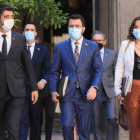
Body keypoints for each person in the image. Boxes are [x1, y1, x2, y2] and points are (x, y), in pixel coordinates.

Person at [50, 14, 103, 140]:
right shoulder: (60, 47)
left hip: (86, 93)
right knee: (67, 125)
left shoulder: (93, 46)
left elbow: (98, 69)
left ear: (83, 28)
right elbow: (55, 71)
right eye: (71, 26)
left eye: (77, 26)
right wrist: (53, 90)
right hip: (67, 93)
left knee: (84, 131)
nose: (74, 28)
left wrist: (94, 87)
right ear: (68, 28)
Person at [0, 5, 38, 140]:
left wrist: (34, 88)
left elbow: (28, 65)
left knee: (13, 128)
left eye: (12, 17)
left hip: (16, 91)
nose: (10, 19)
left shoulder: (20, 38)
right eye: (6, 16)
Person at [19, 21, 52, 140]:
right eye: (27, 30)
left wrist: (44, 80)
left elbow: (49, 69)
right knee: (22, 120)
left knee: (35, 121)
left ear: (36, 33)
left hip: (37, 92)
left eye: (32, 30)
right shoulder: (17, 48)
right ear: (22, 33)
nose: (29, 32)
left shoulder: (43, 50)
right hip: (20, 91)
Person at [115, 16, 140, 140]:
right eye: (136, 27)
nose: (138, 30)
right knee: (134, 125)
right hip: (131, 88)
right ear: (132, 29)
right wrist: (118, 90)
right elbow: (119, 68)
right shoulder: (126, 44)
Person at [91, 31, 118, 140]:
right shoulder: (88, 54)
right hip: (94, 91)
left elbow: (116, 71)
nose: (97, 42)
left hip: (109, 91)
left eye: (99, 40)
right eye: (95, 40)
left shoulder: (112, 54)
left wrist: (118, 89)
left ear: (105, 42)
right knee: (96, 120)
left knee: (111, 117)